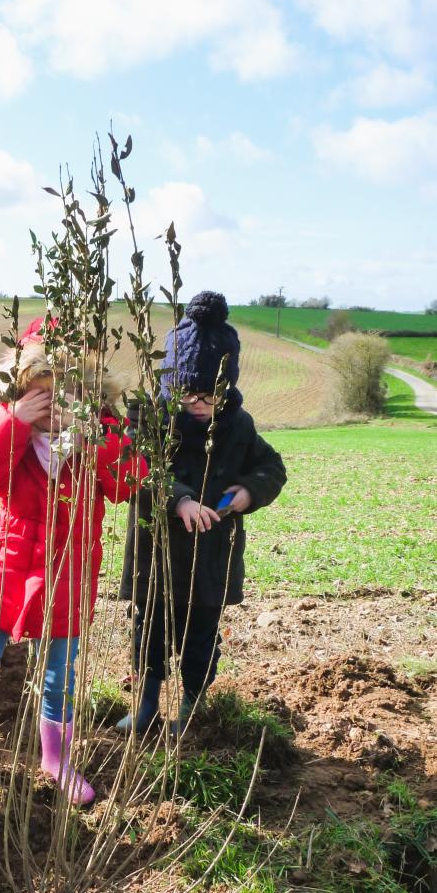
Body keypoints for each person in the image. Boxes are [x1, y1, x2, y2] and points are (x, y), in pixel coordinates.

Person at [0, 318, 147, 804]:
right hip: (7, 560)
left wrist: (95, 440)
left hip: (68, 567)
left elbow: (128, 484)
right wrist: (15, 420)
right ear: (23, 388)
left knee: (59, 674)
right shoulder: (9, 420)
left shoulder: (101, 428)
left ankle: (57, 759)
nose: (52, 409)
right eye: (40, 396)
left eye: (61, 396)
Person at [117, 291, 287, 737]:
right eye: (188, 391)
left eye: (210, 394)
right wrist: (180, 500)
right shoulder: (148, 418)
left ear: (226, 387)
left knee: (201, 637)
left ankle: (192, 706)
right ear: (171, 383)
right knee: (149, 631)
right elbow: (137, 468)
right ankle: (147, 705)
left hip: (212, 557)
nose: (198, 403)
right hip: (157, 555)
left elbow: (272, 468)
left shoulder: (239, 424)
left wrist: (249, 492)